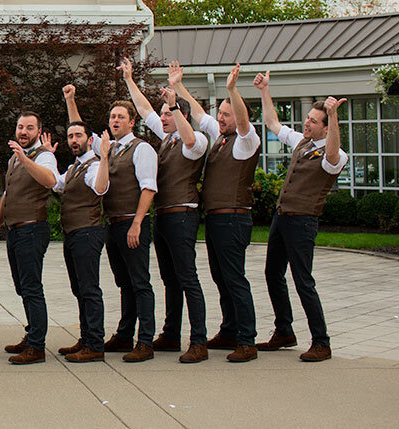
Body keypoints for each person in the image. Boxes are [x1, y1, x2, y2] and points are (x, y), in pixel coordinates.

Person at [254, 71, 349, 363]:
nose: (306, 123)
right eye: (307, 118)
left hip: (303, 222)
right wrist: (264, 90)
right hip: (282, 218)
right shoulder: (302, 142)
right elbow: (272, 123)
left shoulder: (335, 154)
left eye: (312, 121)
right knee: (272, 274)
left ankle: (322, 342)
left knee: (303, 280)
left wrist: (333, 116)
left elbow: (331, 156)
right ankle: (284, 331)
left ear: (325, 127)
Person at [171, 62, 262, 363]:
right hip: (216, 219)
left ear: (239, 117)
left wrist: (233, 89)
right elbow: (198, 114)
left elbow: (245, 123)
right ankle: (230, 329)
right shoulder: (222, 138)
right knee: (221, 278)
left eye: (226, 115)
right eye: (220, 114)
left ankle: (247, 340)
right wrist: (179, 85)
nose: (219, 119)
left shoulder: (247, 142)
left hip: (233, 218)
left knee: (235, 279)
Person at [119, 59, 209, 364]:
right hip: (164, 217)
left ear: (181, 115)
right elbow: (144, 110)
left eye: (168, 114)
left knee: (188, 278)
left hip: (183, 215)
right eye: (163, 115)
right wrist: (130, 80)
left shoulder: (194, 141)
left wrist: (174, 103)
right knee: (169, 278)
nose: (161, 118)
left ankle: (199, 340)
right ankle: (171, 334)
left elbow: (190, 139)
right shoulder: (167, 138)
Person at [66, 82, 158, 363]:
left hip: (132, 222)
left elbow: (148, 188)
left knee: (141, 282)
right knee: (124, 283)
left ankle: (145, 341)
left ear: (132, 122)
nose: (115, 121)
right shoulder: (110, 148)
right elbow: (78, 131)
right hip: (113, 223)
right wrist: (70, 99)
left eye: (120, 117)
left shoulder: (141, 149)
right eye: (112, 117)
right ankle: (124, 334)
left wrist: (138, 223)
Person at [0, 113, 58, 365]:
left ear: (39, 131)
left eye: (30, 128)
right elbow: (9, 195)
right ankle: (32, 335)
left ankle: (37, 347)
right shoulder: (14, 158)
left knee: (31, 287)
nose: (24, 131)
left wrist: (23, 158)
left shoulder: (44, 156)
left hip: (32, 228)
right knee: (22, 287)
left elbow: (50, 180)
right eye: (20, 127)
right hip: (14, 230)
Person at [52, 120, 108, 363]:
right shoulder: (74, 167)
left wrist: (104, 158)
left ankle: (95, 343)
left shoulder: (93, 165)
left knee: (89, 288)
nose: (74, 140)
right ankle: (86, 338)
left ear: (88, 139)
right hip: (73, 232)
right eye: (70, 136)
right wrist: (46, 157)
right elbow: (56, 183)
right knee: (79, 289)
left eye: (78, 135)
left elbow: (100, 188)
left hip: (87, 231)